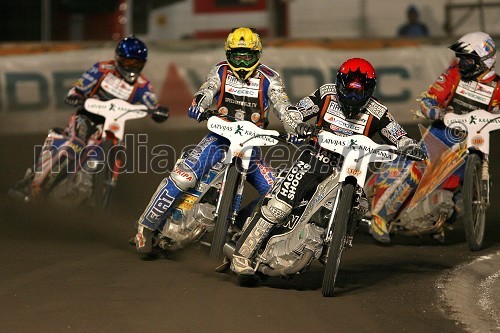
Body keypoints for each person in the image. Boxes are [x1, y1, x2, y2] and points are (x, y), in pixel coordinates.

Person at [230, 57, 426, 276]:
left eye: (359, 93)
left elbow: (399, 135)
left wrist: (410, 146)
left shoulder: (378, 111)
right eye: (349, 91)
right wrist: (300, 125)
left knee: (361, 206)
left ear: (370, 90)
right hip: (316, 157)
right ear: (339, 83)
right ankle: (243, 254)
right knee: (280, 205)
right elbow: (295, 112)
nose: (353, 98)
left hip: (350, 168)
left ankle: (335, 242)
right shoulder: (325, 93)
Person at [134, 27, 293, 258]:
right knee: (183, 177)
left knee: (275, 194)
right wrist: (198, 103)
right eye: (236, 55)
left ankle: (239, 225)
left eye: (247, 55)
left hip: (251, 144)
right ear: (228, 53)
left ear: (257, 54)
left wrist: (296, 126)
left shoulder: (271, 78)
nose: (241, 60)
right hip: (219, 138)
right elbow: (207, 89)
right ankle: (146, 226)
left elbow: (284, 107)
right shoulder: (220, 70)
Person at [369, 31, 499, 243]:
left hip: (473, 142)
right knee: (417, 169)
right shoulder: (453, 74)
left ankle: (438, 222)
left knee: (466, 190)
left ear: (484, 60)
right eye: (461, 58)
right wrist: (436, 110)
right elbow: (430, 98)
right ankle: (381, 217)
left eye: (468, 59)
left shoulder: (497, 87)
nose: (462, 63)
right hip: (441, 135)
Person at [8, 35, 169, 200]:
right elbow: (80, 86)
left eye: (138, 64)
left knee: (120, 150)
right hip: (86, 117)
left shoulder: (142, 85)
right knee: (76, 145)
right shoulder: (103, 69)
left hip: (112, 126)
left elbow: (152, 103)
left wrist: (158, 112)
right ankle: (31, 183)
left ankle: (98, 191)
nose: (133, 67)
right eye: (129, 62)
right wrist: (75, 95)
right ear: (119, 59)